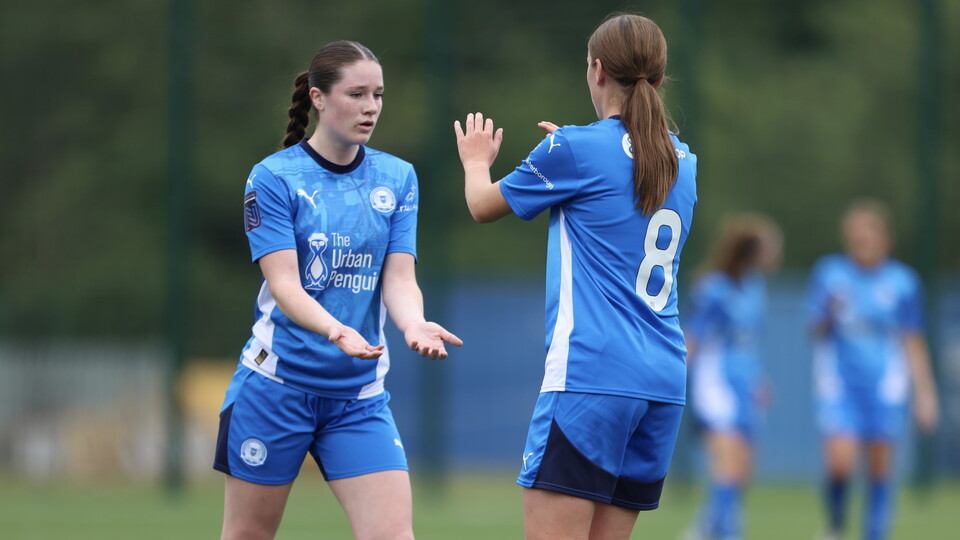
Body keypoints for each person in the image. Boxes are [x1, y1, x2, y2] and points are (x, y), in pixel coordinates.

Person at [453, 14, 697, 540]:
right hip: (663, 380)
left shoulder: (575, 150)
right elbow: (620, 191)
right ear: (657, 80)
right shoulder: (684, 161)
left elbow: (481, 206)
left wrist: (477, 161)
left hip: (594, 374)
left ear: (598, 70)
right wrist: (572, 148)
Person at [213, 40, 462, 540]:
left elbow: (399, 278)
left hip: (358, 396)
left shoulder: (398, 177)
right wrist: (335, 329)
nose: (371, 107)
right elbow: (282, 283)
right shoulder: (273, 177)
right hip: (275, 388)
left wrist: (413, 323)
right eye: (357, 94)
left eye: (378, 94)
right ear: (319, 98)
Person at [807, 199, 938, 540]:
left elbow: (912, 340)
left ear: (884, 239)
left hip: (885, 386)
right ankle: (836, 524)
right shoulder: (830, 273)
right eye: (855, 238)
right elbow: (814, 330)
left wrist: (925, 395)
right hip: (840, 384)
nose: (861, 244)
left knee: (880, 466)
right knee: (840, 462)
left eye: (868, 237)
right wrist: (827, 310)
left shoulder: (903, 282)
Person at [683, 214, 782, 540]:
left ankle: (704, 529)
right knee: (726, 464)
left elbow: (750, 340)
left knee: (742, 470)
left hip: (745, 383)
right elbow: (694, 339)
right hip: (716, 381)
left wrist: (759, 380)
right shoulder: (712, 287)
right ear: (751, 250)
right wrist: (676, 377)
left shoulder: (756, 287)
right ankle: (727, 532)